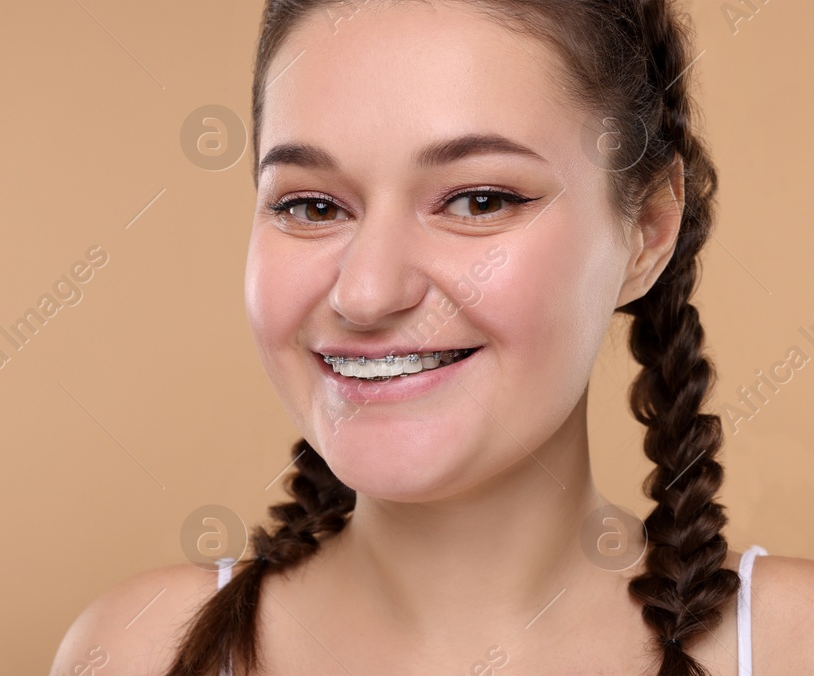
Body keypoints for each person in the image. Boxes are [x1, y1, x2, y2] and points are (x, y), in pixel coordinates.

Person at [50, 1, 814, 674]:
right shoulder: (135, 652)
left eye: (479, 200)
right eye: (313, 207)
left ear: (648, 230)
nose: (367, 292)